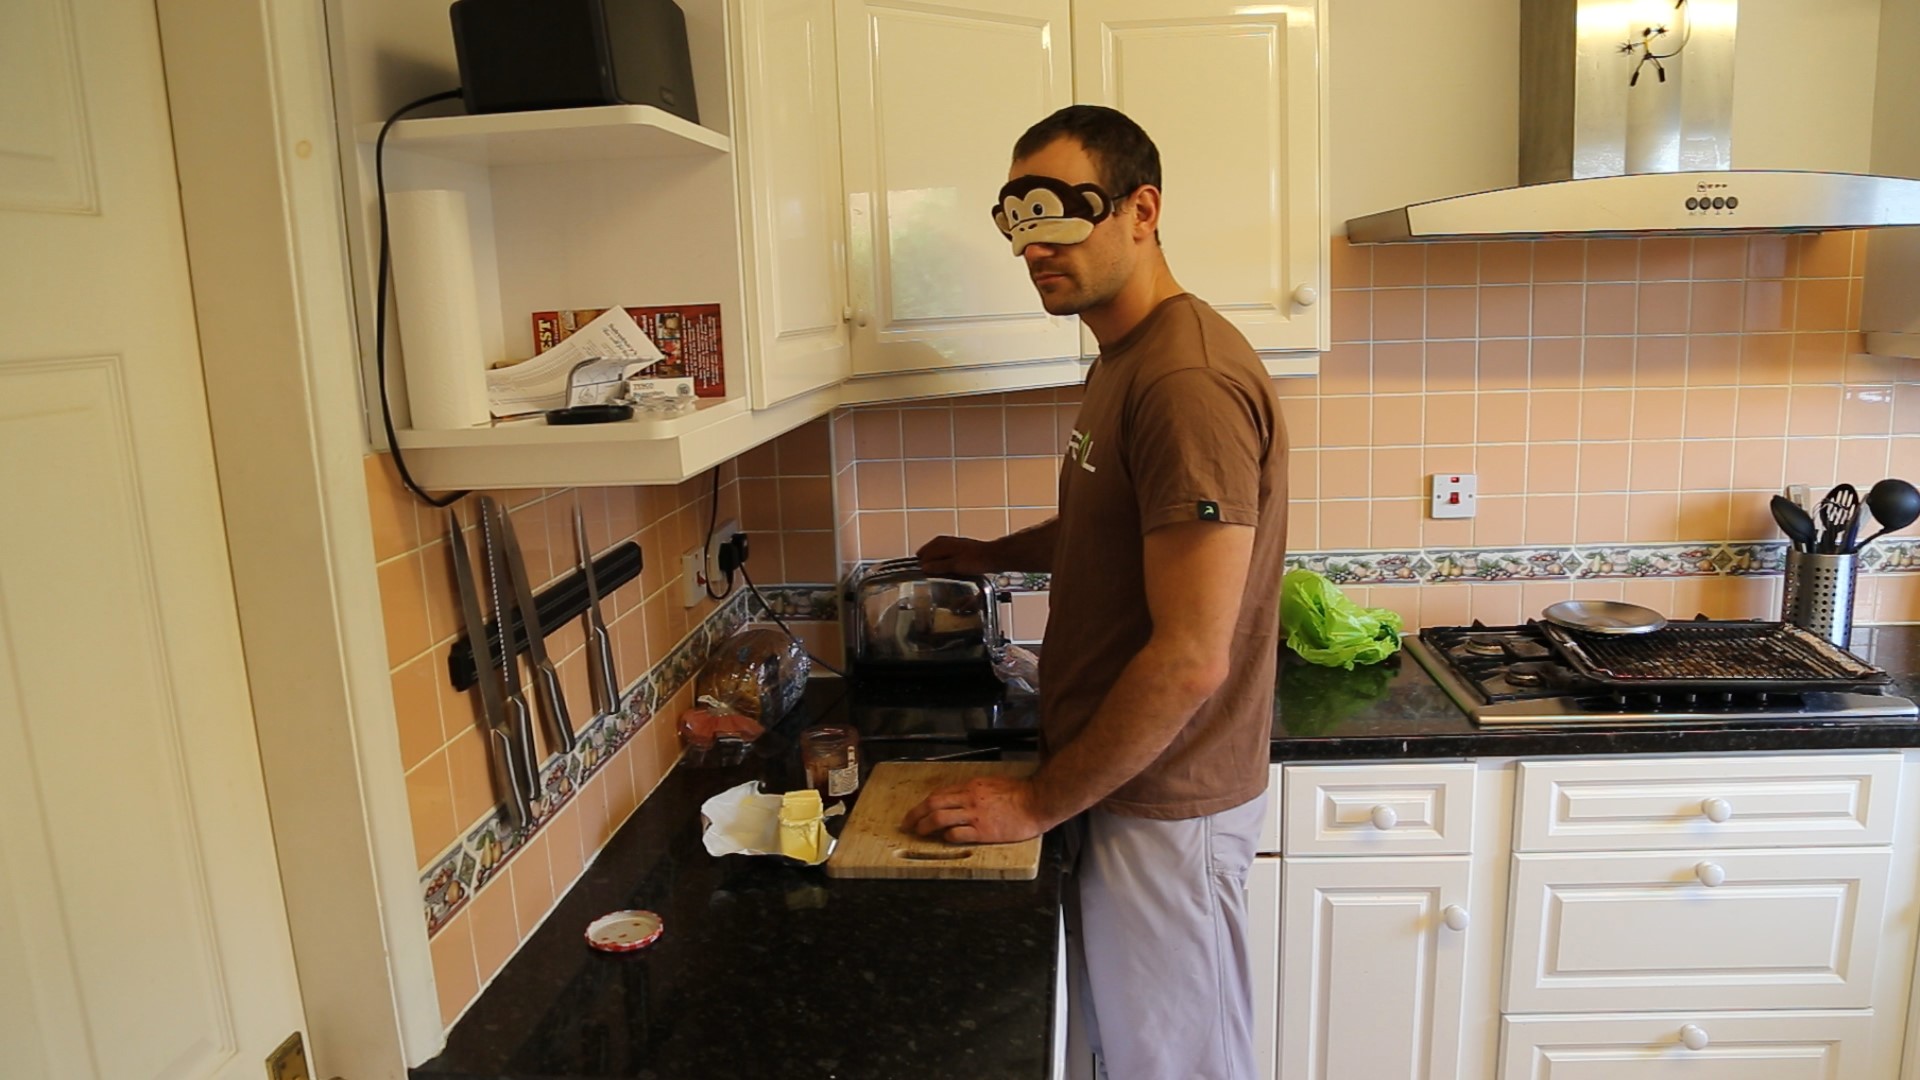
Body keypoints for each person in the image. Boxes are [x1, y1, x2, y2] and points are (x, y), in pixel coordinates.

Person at [900, 105, 1290, 1080]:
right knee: (1130, 1056)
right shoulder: (1125, 358)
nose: (1035, 244)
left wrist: (1035, 805)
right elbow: (1116, 525)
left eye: (1060, 211)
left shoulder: (1183, 381)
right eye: (1016, 218)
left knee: (1177, 1067)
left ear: (1141, 210)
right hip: (1128, 786)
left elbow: (1192, 655)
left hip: (1169, 801)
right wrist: (994, 551)